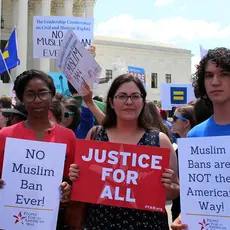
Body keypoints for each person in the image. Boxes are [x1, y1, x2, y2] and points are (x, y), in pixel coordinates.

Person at [70, 74, 179, 230]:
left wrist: (168, 187)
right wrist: (76, 175)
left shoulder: (160, 141)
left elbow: (173, 192)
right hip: (100, 223)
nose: (129, 102)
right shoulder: (95, 136)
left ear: (143, 101)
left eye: (135, 96)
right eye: (122, 96)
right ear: (111, 102)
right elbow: (84, 182)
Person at [0, 70, 75, 230]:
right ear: (21, 98)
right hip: (11, 218)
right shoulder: (5, 135)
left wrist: (68, 190)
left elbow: (72, 179)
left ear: (51, 95)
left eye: (43, 93)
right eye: (30, 94)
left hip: (51, 219)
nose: (38, 100)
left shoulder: (68, 136)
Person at [171, 47, 230, 229]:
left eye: (224, 74)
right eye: (209, 75)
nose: (215, 82)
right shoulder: (195, 135)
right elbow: (198, 194)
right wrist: (183, 217)